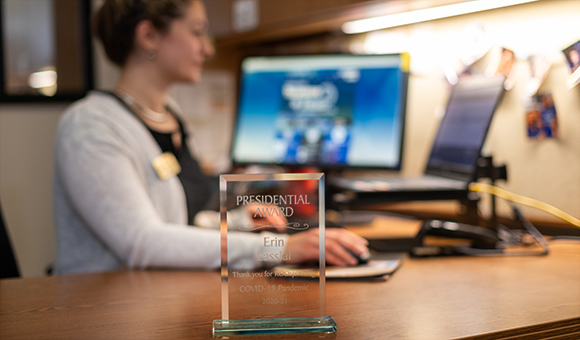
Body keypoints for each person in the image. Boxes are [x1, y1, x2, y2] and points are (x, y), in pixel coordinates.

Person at [53, 0, 369, 275]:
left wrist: (239, 221)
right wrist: (280, 248)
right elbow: (144, 243)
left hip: (159, 299)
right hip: (104, 314)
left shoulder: (169, 115)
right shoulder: (90, 126)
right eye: (197, 31)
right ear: (148, 36)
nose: (208, 48)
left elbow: (174, 227)